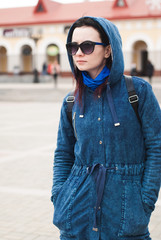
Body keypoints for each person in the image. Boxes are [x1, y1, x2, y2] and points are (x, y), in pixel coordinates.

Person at [51, 16, 161, 240]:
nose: (78, 53)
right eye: (73, 47)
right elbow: (63, 153)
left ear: (109, 50)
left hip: (126, 216)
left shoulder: (138, 92)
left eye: (87, 46)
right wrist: (59, 195)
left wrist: (145, 201)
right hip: (76, 214)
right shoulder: (71, 101)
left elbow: (157, 147)